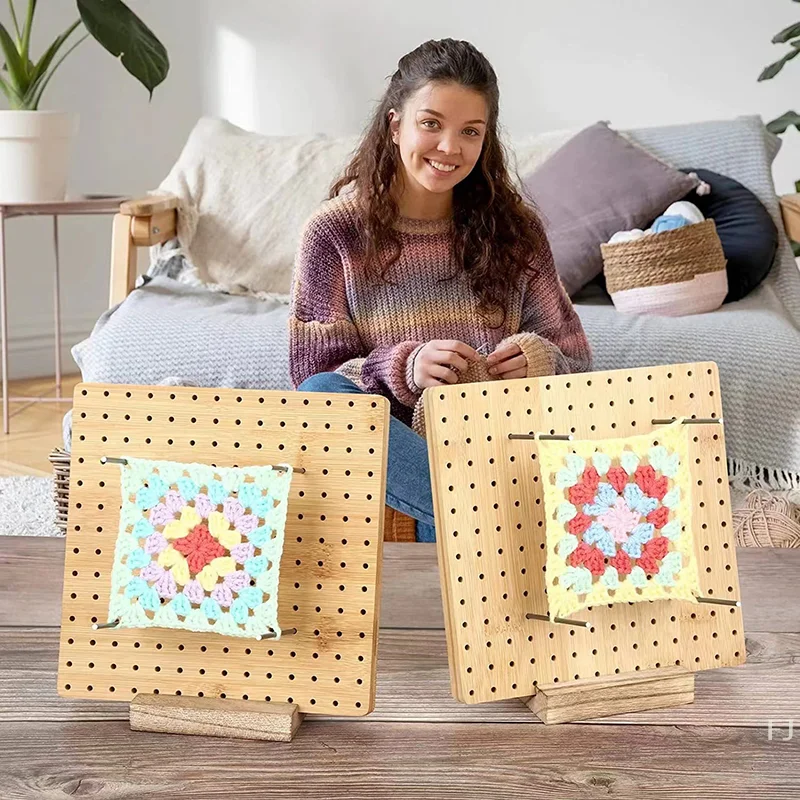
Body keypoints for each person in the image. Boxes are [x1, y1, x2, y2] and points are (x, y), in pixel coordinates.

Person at [288, 38, 591, 542]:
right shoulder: (334, 232)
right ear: (394, 125)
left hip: (493, 439)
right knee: (321, 398)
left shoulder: (516, 230)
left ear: (486, 139)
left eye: (470, 132)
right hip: (400, 443)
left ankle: (478, 518)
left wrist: (537, 358)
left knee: (469, 461)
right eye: (431, 124)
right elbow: (314, 377)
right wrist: (405, 369)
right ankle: (492, 519)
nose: (450, 148)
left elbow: (576, 361)